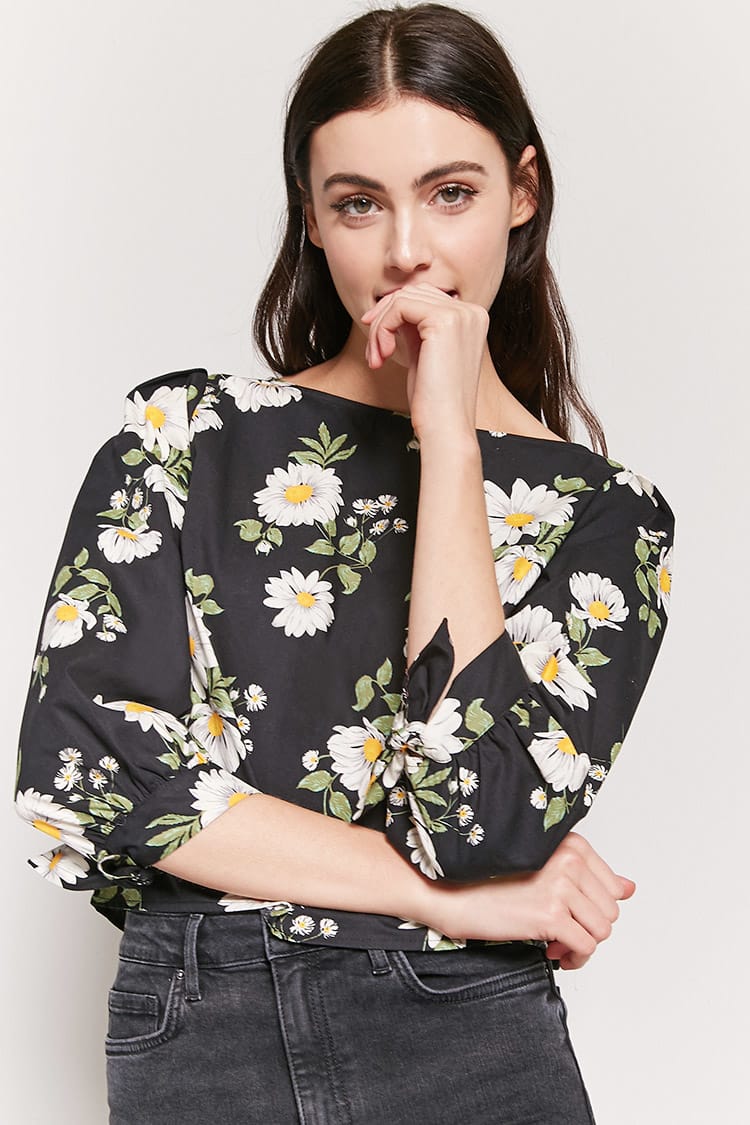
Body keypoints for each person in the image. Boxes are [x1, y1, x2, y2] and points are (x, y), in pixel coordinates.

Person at [15, 4, 675, 1122]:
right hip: (202, 1025)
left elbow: (478, 825)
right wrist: (462, 902)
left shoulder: (605, 521)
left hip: (468, 1034)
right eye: (359, 202)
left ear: (523, 192)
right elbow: (91, 777)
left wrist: (450, 439)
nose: (407, 250)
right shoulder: (184, 441)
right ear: (313, 220)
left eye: (451, 192)